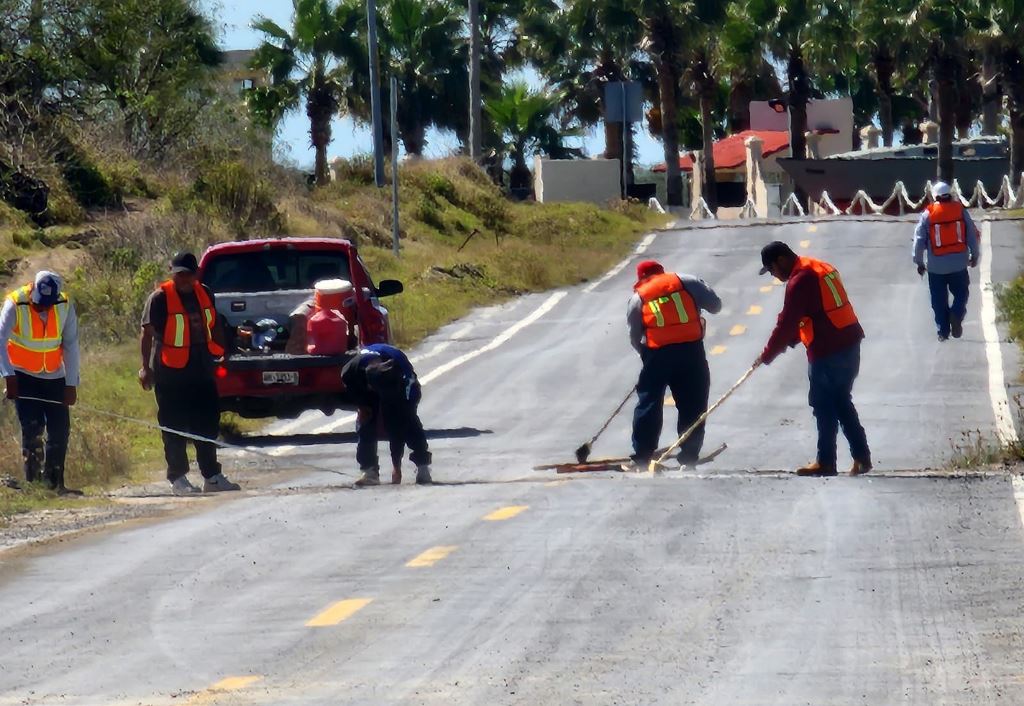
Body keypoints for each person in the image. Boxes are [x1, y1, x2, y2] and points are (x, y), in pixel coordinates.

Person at [753, 241, 871, 477]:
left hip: (829, 350)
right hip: (848, 343)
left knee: (823, 404)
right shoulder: (817, 267)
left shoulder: (800, 279)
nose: (775, 277)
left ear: (781, 260)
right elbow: (815, 312)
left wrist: (767, 355)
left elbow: (787, 322)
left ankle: (826, 461)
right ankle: (861, 456)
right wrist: (790, 341)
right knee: (840, 401)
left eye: (772, 270)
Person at [139, 252, 241, 495]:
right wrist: (145, 367)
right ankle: (178, 478)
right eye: (179, 274)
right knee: (173, 426)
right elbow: (146, 333)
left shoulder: (205, 292)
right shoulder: (159, 299)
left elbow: (213, 323)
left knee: (207, 422)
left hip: (201, 368)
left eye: (188, 274)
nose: (183, 278)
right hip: (170, 372)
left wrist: (221, 352)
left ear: (196, 273)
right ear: (172, 272)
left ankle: (211, 476)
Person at [625, 259, 722, 470]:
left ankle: (642, 456)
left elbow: (634, 335)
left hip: (657, 354)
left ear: (641, 278)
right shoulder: (687, 281)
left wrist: (645, 354)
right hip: (691, 352)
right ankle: (688, 457)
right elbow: (716, 306)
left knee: (649, 402)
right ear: (662, 272)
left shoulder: (638, 297)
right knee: (693, 403)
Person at [0, 270, 81, 494]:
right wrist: (8, 375)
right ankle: (35, 485)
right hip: (23, 376)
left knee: (60, 429)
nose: (41, 307)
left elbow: (71, 345)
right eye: (38, 302)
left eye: (46, 304)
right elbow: (0, 340)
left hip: (54, 375)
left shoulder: (64, 304)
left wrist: (71, 384)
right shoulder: (15, 303)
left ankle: (54, 484)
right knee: (33, 428)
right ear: (32, 289)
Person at [341, 344, 432, 486]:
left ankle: (423, 467)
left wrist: (396, 467)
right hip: (369, 383)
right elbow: (349, 385)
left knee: (408, 421)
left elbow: (396, 428)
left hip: (402, 387)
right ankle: (369, 471)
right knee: (366, 420)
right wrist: (361, 405)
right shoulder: (352, 369)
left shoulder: (399, 379)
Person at [913, 181, 980, 341]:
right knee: (962, 293)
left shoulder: (928, 214)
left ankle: (943, 331)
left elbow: (919, 240)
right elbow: (971, 233)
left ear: (935, 196)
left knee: (938, 299)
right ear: (950, 194)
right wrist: (975, 255)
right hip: (959, 264)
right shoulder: (960, 210)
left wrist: (919, 262)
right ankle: (956, 314)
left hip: (936, 267)